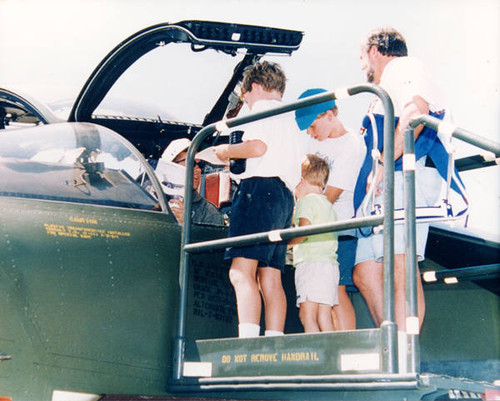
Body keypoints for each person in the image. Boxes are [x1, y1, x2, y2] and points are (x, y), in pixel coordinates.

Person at [353, 27, 449, 332]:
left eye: (362, 57)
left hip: (407, 172)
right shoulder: (385, 88)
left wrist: (384, 161)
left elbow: (415, 111)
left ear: (374, 52)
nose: (362, 66)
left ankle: (404, 353)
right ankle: (391, 344)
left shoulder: (403, 67)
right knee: (366, 271)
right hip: (386, 183)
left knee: (400, 266)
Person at [214, 61, 301, 338]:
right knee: (271, 277)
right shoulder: (291, 120)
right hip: (283, 196)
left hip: (258, 191)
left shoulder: (259, 111)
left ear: (255, 87)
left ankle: (248, 341)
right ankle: (274, 339)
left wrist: (227, 150)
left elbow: (258, 147)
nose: (245, 100)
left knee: (240, 272)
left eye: (245, 95)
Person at [294, 89, 366, 331]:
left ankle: (346, 345)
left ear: (328, 115)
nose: (309, 132)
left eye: (312, 125)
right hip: (313, 226)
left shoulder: (351, 144)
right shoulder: (313, 141)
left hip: (337, 227)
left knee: (336, 290)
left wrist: (303, 216)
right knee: (319, 296)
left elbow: (330, 196)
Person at [289, 154, 339, 333]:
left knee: (306, 314)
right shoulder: (328, 205)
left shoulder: (306, 202)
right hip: (329, 265)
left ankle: (316, 355)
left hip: (310, 264)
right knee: (324, 315)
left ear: (301, 180)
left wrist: (287, 244)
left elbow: (304, 230)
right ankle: (332, 354)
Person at [156, 138, 224, 226]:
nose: (198, 170)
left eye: (200, 165)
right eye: (191, 163)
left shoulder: (208, 212)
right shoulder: (148, 198)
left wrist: (185, 226)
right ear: (170, 166)